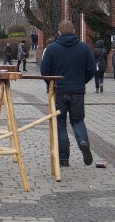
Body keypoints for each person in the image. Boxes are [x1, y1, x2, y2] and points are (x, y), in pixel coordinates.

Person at [40, 20, 96, 167]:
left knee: (60, 124)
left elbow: (44, 71)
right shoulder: (84, 48)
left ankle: (64, 158)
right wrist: (81, 81)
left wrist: (51, 85)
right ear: (73, 31)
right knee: (77, 121)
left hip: (59, 91)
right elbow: (91, 69)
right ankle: (83, 141)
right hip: (77, 91)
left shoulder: (52, 49)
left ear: (58, 32)